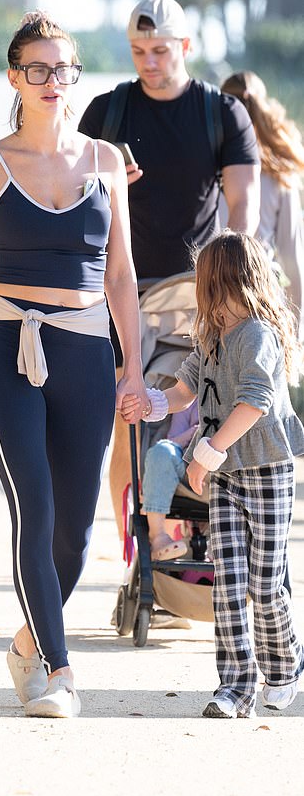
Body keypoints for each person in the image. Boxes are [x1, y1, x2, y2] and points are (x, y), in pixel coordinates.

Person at [0, 12, 147, 718]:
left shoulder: (105, 161)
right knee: (33, 509)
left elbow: (122, 274)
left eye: (61, 68)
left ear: (75, 76)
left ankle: (25, 644)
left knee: (76, 531)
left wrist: (133, 367)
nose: (49, 81)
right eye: (34, 69)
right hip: (6, 345)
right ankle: (62, 672)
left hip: (86, 347)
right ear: (14, 76)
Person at [78, 0, 261, 540]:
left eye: (159, 50)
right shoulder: (107, 111)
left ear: (184, 46)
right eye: (138, 50)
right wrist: (103, 189)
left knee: (202, 415)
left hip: (197, 292)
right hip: (119, 289)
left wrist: (234, 290)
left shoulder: (221, 112)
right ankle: (143, 555)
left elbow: (244, 212)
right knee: (129, 420)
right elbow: (66, 196)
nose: (149, 62)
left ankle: (196, 543)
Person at [124, 231, 304, 718]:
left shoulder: (257, 336)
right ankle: (236, 686)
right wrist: (153, 402)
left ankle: (286, 663)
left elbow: (254, 402)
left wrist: (207, 451)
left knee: (265, 586)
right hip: (227, 479)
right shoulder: (211, 337)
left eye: (204, 283)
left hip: (265, 470)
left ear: (223, 282)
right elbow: (186, 386)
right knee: (228, 583)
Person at [221, 70, 304, 337]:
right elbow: (291, 256)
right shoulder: (281, 174)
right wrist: (296, 330)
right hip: (263, 300)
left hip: (213, 298)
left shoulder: (206, 170)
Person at [141, 398, 199, 560]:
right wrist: (195, 432)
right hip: (187, 466)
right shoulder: (192, 397)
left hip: (224, 468)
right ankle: (158, 535)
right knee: (162, 451)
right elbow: (173, 442)